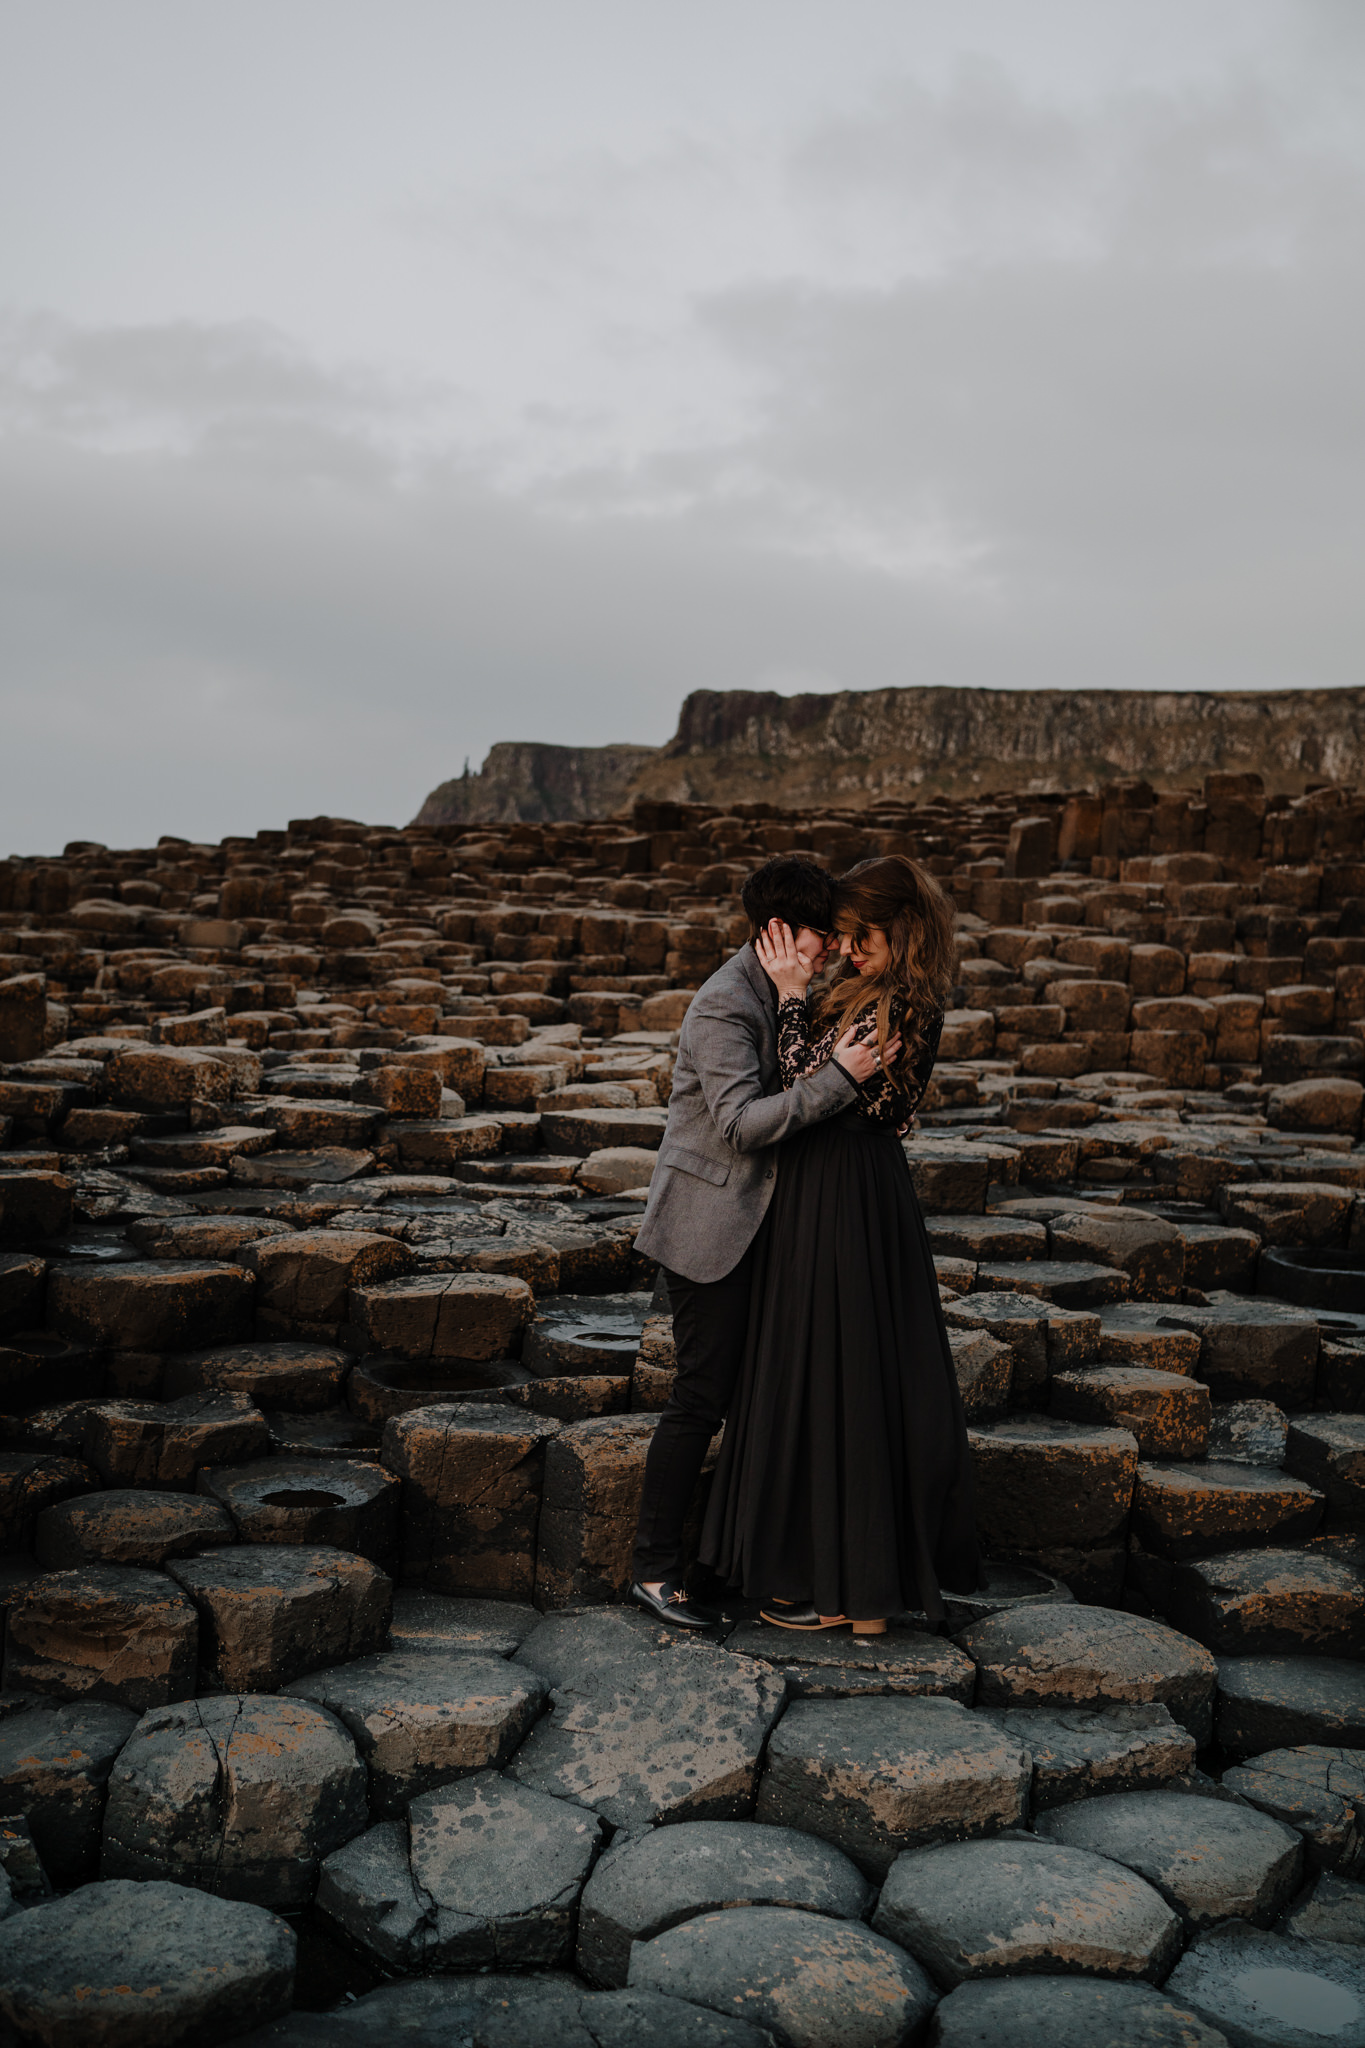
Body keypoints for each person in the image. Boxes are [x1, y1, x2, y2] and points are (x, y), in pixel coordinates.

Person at [700, 853, 982, 1635]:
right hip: (849, 1187)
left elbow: (802, 1082)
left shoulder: (897, 1003)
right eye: (845, 938)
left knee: (837, 1376)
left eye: (862, 938)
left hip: (840, 1189)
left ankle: (844, 1594)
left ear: (902, 929)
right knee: (848, 1375)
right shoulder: (894, 995)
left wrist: (791, 999)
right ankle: (853, 1590)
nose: (850, 952)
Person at [630, 855, 888, 1628]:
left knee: (764, 1403)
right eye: (821, 934)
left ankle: (731, 1563)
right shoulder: (724, 1005)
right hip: (712, 1230)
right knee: (700, 1400)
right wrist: (840, 1078)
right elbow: (743, 1124)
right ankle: (652, 1571)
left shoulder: (785, 991)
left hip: (769, 1229)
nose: (833, 948)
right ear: (780, 931)